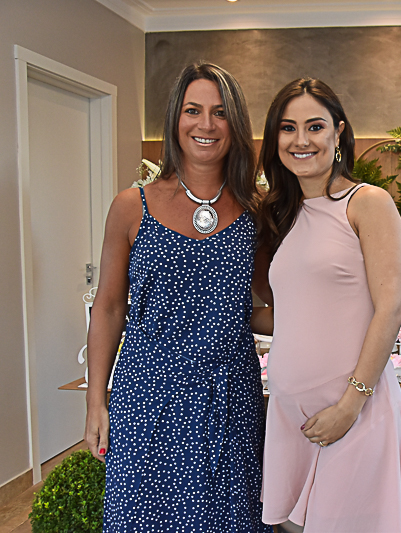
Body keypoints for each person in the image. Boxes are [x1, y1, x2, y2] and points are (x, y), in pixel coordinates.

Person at [83, 63, 270, 532]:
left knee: (229, 519)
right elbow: (109, 307)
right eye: (193, 111)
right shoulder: (132, 206)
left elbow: (269, 306)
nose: (206, 124)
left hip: (229, 397)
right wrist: (95, 402)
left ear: (236, 124)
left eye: (220, 113)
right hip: (146, 394)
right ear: (175, 119)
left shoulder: (256, 210)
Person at [252, 78, 401, 532]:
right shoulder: (279, 215)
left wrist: (350, 406)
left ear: (338, 132)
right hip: (290, 415)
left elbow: (390, 310)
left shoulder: (367, 203)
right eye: (288, 128)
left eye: (315, 126)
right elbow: (289, 315)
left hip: (354, 412)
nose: (301, 140)